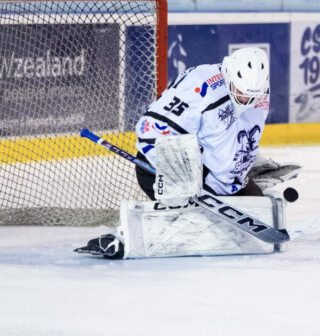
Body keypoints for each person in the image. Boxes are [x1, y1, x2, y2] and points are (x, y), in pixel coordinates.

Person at [76, 47, 299, 259]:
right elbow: (148, 129)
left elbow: (238, 129)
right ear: (230, 75)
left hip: (217, 180)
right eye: (240, 93)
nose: (245, 100)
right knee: (201, 232)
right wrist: (179, 174)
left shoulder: (257, 89)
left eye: (251, 96)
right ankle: (123, 239)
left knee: (255, 221)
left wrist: (246, 159)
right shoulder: (199, 88)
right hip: (165, 171)